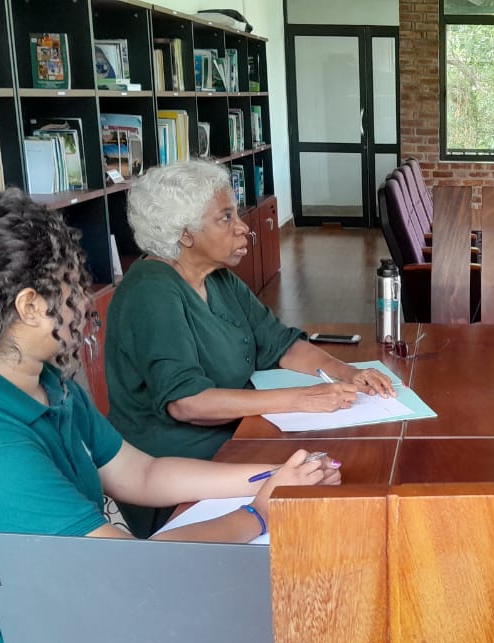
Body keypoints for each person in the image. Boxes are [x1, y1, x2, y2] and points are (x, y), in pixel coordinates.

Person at [0, 190, 339, 643]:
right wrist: (255, 515)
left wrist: (282, 475)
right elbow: (126, 571)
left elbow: (142, 472)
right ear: (29, 306)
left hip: (44, 618)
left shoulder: (42, 382)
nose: (86, 298)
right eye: (74, 282)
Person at [105, 160, 394, 536]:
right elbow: (187, 402)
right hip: (180, 468)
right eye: (225, 218)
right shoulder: (152, 292)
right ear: (184, 233)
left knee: (340, 464)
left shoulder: (218, 278)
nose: (243, 228)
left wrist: (348, 373)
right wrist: (301, 399)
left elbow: (279, 344)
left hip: (237, 436)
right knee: (330, 489)